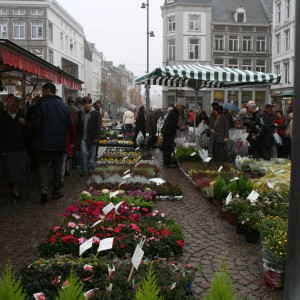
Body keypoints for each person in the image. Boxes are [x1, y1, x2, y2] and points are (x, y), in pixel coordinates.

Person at [31, 83, 71, 204]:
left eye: (43, 91)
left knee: (43, 166)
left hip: (43, 141)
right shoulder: (63, 105)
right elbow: (69, 123)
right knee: (57, 167)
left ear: (48, 90)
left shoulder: (41, 104)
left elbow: (35, 123)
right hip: (59, 141)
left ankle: (43, 191)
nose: (42, 93)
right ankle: (56, 191)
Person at [0, 96, 31, 199]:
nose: (15, 108)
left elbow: (29, 129)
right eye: (13, 105)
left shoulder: (20, 115)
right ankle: (13, 189)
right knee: (10, 170)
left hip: (20, 146)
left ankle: (15, 187)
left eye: (17, 106)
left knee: (18, 169)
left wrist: (25, 123)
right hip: (9, 148)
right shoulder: (3, 116)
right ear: (9, 105)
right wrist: (3, 149)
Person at [77, 96, 101, 176]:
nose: (87, 105)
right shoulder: (80, 113)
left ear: (91, 104)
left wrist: (96, 138)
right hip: (83, 137)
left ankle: (91, 169)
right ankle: (84, 170)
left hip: (92, 137)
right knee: (83, 153)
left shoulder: (96, 113)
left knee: (92, 155)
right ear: (83, 104)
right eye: (85, 103)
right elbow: (78, 126)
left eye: (89, 103)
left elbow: (98, 127)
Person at [161, 103, 186, 167]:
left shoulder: (173, 112)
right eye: (181, 109)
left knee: (167, 147)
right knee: (168, 147)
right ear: (179, 108)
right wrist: (180, 128)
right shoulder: (175, 113)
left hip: (166, 131)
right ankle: (167, 163)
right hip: (168, 132)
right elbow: (172, 124)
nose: (181, 111)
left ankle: (166, 162)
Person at [63, 96, 79, 177]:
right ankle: (69, 167)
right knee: (72, 150)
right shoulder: (76, 109)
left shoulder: (64, 107)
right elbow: (78, 120)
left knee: (65, 152)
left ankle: (65, 168)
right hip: (73, 129)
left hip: (64, 131)